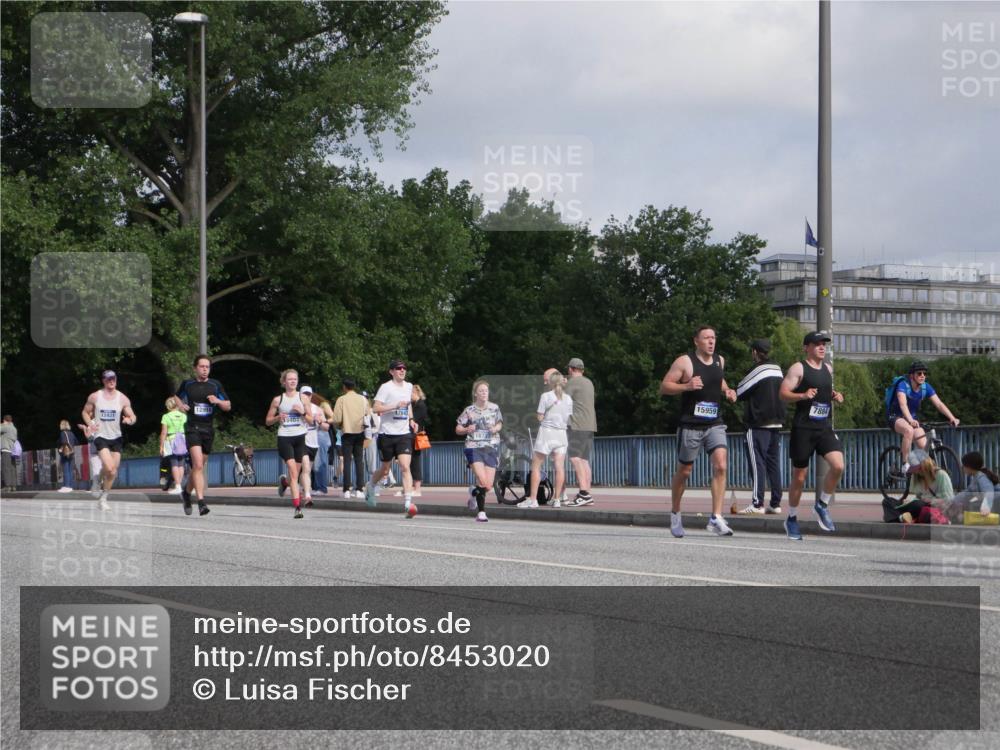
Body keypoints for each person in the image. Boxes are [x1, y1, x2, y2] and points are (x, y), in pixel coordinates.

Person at [659, 326, 737, 538]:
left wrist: (727, 390)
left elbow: (718, 379)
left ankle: (716, 518)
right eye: (706, 338)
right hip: (690, 426)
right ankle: (675, 513)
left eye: (713, 337)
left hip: (714, 423)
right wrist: (686, 386)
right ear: (696, 341)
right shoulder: (685, 362)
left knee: (721, 464)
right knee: (684, 472)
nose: (711, 341)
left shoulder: (720, 360)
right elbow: (664, 386)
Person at [779, 331, 844, 540]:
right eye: (817, 344)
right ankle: (791, 518)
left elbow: (824, 391)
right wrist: (802, 395)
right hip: (803, 428)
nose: (822, 347)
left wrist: (834, 395)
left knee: (838, 465)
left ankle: (821, 505)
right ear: (806, 347)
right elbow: (783, 393)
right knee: (799, 477)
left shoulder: (828, 368)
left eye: (824, 344)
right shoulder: (799, 368)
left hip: (823, 426)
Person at [176, 355, 231, 517]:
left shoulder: (215, 385)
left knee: (198, 468)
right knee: (198, 465)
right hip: (192, 428)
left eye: (207, 367)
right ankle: (201, 502)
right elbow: (175, 397)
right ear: (195, 368)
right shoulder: (188, 384)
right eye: (202, 366)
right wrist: (181, 405)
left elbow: (228, 406)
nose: (205, 369)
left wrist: (217, 401)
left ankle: (186, 493)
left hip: (208, 430)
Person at [735, 339, 786, 515]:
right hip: (776, 422)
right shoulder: (778, 369)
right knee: (773, 464)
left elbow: (740, 391)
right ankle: (776, 503)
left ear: (755, 352)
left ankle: (757, 504)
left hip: (758, 423)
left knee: (757, 464)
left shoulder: (758, 370)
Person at [365, 360, 417, 514]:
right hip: (387, 434)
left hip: (404, 434)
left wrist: (412, 420)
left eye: (404, 368)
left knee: (405, 466)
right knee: (385, 469)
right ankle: (371, 486)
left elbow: (408, 406)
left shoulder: (409, 386)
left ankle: (408, 504)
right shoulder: (386, 387)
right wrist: (395, 405)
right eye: (398, 368)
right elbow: (375, 408)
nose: (402, 370)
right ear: (391, 371)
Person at [81, 370, 137, 510]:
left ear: (116, 380)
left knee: (112, 471)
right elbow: (85, 412)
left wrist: (129, 420)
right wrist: (91, 424)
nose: (111, 381)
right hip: (101, 436)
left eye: (114, 378)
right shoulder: (95, 397)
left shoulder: (122, 398)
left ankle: (102, 493)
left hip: (116, 437)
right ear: (103, 381)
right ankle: (101, 492)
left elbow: (132, 416)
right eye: (108, 379)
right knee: (110, 467)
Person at [887, 360, 960, 467]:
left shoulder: (926, 387)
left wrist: (952, 417)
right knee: (908, 430)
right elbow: (903, 404)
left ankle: (922, 471)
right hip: (895, 416)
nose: (923, 376)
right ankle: (905, 463)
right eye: (919, 373)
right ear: (912, 375)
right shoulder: (903, 385)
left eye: (924, 373)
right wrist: (910, 420)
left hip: (911, 419)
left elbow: (939, 404)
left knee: (924, 448)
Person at [265, 369, 314, 518]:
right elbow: (267, 421)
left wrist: (302, 413)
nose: (293, 381)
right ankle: (297, 507)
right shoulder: (278, 400)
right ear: (284, 382)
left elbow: (312, 421)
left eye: (295, 379)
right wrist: (277, 417)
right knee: (294, 472)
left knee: (295, 474)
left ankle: (285, 482)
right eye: (290, 379)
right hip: (284, 437)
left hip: (300, 438)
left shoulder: (303, 398)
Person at [523, 369, 573, 509]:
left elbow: (540, 416)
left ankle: (533, 499)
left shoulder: (545, 396)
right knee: (559, 467)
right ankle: (557, 499)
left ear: (551, 383)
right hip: (561, 434)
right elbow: (568, 417)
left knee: (536, 466)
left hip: (547, 433)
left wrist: (542, 418)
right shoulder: (568, 398)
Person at [456, 379, 504, 522]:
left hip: (491, 447)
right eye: (481, 391)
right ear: (475, 394)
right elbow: (457, 429)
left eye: (486, 391)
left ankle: (473, 493)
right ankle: (481, 513)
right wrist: (466, 429)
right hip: (473, 447)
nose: (484, 393)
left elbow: (500, 423)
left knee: (488, 486)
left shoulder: (494, 408)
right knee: (482, 481)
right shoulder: (469, 411)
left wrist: (495, 428)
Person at [564, 357, 596, 507]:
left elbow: (561, 400)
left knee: (575, 458)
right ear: (582, 369)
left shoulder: (572, 382)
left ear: (571, 369)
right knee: (584, 460)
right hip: (590, 425)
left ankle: (583, 493)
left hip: (577, 425)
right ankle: (587, 493)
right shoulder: (589, 382)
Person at [332, 378, 369, 499]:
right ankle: (359, 489)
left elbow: (336, 419)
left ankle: (346, 490)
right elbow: (368, 414)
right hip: (360, 432)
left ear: (344, 387)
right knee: (359, 461)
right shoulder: (363, 399)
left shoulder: (341, 399)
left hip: (347, 432)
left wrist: (339, 426)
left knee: (347, 461)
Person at [896, 456, 954, 524]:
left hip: (934, 508)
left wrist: (930, 500)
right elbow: (918, 497)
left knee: (917, 505)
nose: (917, 472)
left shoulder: (941, 475)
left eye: (919, 469)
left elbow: (948, 500)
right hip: (919, 506)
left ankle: (901, 517)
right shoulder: (916, 476)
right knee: (888, 502)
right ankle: (903, 517)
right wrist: (909, 502)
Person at [949, 452, 999, 521]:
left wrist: (986, 507)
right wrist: (952, 501)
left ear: (969, 467)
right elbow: (967, 492)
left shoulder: (981, 477)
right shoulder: (976, 478)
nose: (962, 467)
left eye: (964, 465)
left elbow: (988, 492)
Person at [300, 385, 328, 507]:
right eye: (304, 394)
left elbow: (326, 428)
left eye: (309, 394)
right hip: (300, 442)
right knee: (305, 468)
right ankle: (307, 494)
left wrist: (319, 421)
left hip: (313, 443)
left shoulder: (317, 409)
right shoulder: (296, 408)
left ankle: (287, 482)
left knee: (307, 469)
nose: (307, 396)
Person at [159, 397, 187, 497]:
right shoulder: (183, 416)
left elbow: (163, 433)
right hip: (182, 439)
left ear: (168, 406)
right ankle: (181, 485)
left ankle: (178, 485)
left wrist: (161, 446)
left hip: (171, 440)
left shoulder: (166, 417)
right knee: (181, 464)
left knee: (174, 464)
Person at [311, 391, 335, 495]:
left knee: (320, 462)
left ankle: (321, 488)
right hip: (313, 434)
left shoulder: (322, 405)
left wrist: (323, 422)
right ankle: (316, 487)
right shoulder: (307, 407)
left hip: (321, 433)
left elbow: (334, 417)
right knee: (313, 463)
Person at [407, 384, 429, 498]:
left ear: (415, 393)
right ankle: (409, 487)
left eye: (410, 393)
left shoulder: (420, 405)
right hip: (411, 436)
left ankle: (417, 488)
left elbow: (415, 420)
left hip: (416, 436)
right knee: (410, 462)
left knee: (415, 462)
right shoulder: (414, 404)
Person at [56, 420, 78, 492]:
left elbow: (63, 442)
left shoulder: (62, 433)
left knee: (66, 469)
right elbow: (76, 441)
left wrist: (61, 448)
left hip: (65, 453)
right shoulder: (72, 433)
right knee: (71, 470)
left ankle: (66, 486)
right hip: (72, 453)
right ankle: (71, 486)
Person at [1, 415, 18, 492]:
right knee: (12, 468)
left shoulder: (6, 427)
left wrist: (2, 425)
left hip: (6, 450)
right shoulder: (14, 428)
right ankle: (13, 486)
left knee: (6, 468)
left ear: (5, 421)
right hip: (13, 451)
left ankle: (7, 486)